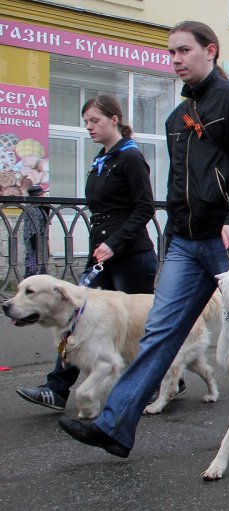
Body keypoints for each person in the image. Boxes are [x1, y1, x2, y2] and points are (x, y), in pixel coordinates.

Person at [57, 21, 229, 456]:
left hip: (227, 236)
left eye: (183, 51)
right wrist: (170, 239)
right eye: (170, 52)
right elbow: (178, 185)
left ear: (210, 51)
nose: (175, 59)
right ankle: (115, 426)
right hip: (185, 242)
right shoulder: (177, 117)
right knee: (159, 330)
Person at [16, 95, 159, 412]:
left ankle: (163, 382)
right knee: (73, 317)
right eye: (86, 122)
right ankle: (57, 389)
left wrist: (115, 242)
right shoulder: (103, 158)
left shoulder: (130, 158)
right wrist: (101, 246)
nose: (89, 127)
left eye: (95, 121)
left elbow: (144, 208)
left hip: (131, 256)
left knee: (140, 326)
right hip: (103, 256)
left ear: (114, 119)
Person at [23, 184, 50, 279]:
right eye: (41, 195)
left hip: (40, 242)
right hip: (35, 244)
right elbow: (32, 228)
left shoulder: (39, 207)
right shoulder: (33, 209)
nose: (43, 196)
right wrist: (36, 244)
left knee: (40, 268)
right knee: (33, 268)